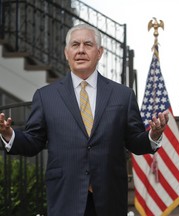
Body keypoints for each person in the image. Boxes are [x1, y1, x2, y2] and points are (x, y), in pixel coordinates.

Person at [0, 23, 169, 216]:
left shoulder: (123, 95)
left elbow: (135, 143)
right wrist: (9, 134)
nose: (81, 50)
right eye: (75, 45)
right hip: (66, 197)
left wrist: (153, 135)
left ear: (100, 52)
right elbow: (33, 142)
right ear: (66, 52)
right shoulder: (46, 96)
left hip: (109, 198)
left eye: (88, 44)